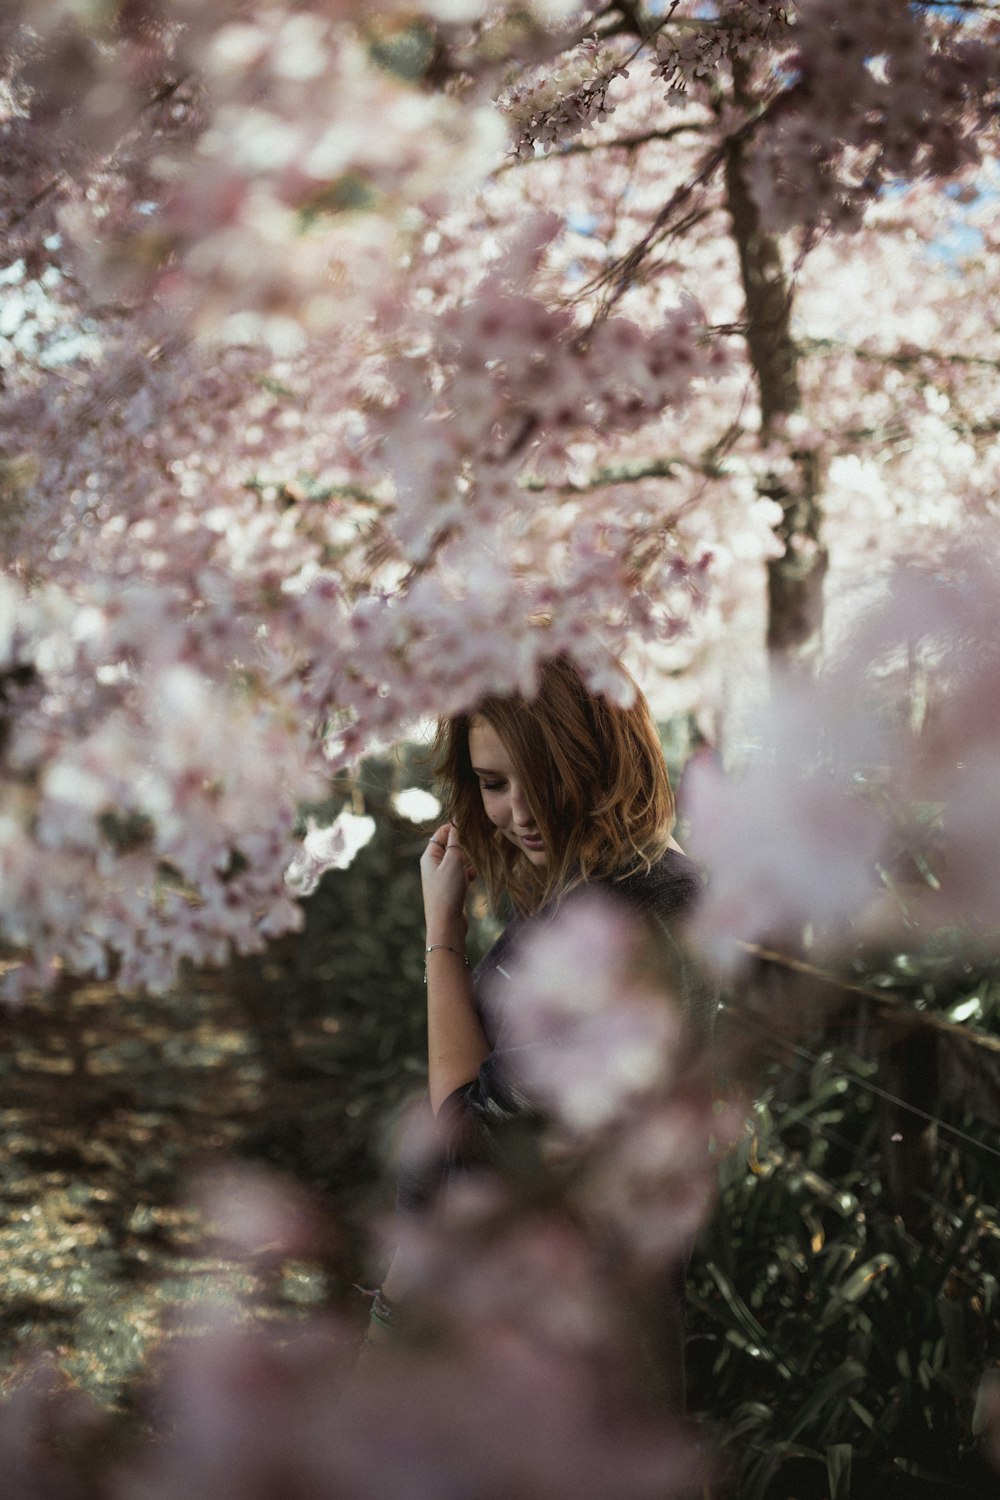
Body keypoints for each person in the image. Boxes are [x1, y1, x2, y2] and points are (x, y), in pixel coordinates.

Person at [365, 653, 715, 1346]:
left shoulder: (620, 924)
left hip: (542, 1320)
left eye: (545, 780)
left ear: (603, 762)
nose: (518, 813)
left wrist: (443, 933)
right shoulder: (612, 890)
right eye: (494, 784)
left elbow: (462, 1121)